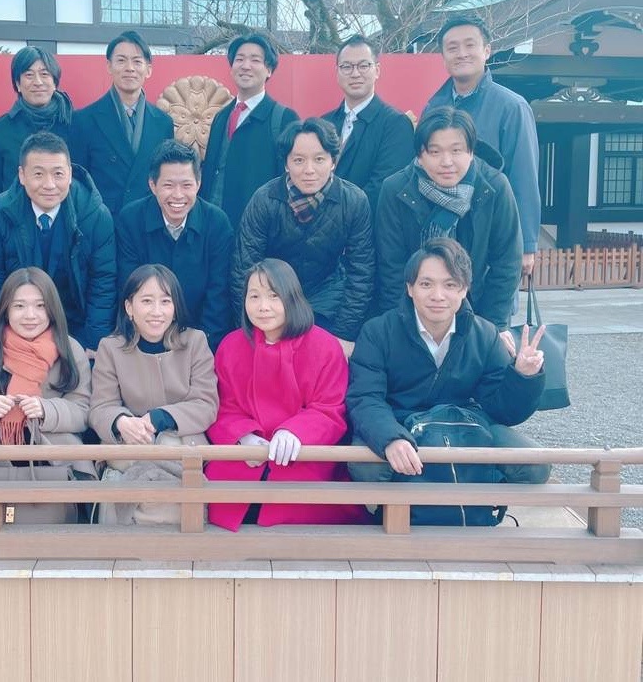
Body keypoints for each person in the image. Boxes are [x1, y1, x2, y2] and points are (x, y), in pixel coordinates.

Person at [346, 238, 550, 485]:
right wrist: (390, 438)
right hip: (400, 423)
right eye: (426, 284)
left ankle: (480, 504)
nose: (438, 295)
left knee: (535, 465)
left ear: (464, 289)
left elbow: (503, 411)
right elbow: (365, 397)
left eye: (450, 284)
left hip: (466, 424)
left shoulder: (484, 334)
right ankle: (399, 509)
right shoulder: (378, 332)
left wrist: (522, 376)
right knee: (366, 467)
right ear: (410, 288)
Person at [206, 258, 370, 531]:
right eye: (254, 296)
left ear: (292, 297)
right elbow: (223, 406)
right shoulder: (231, 346)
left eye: (274, 296)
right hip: (245, 456)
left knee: (300, 508)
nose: (263, 306)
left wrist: (295, 432)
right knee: (221, 500)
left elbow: (330, 408)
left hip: (303, 455)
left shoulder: (324, 346)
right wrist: (243, 436)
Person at [232, 118, 375, 358]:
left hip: (328, 301)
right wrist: (249, 329)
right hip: (273, 299)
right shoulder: (265, 199)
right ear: (286, 163)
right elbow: (243, 269)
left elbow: (361, 272)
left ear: (333, 161)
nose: (309, 170)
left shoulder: (354, 201)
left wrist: (343, 334)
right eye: (299, 160)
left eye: (319, 159)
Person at [375, 106, 522, 330]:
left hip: (479, 308)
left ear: (471, 151)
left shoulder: (494, 187)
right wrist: (403, 326)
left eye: (456, 151)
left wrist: (493, 328)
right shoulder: (395, 189)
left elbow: (507, 263)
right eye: (435, 152)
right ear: (420, 155)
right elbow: (391, 267)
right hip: (413, 310)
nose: (447, 162)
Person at [88, 265, 217, 517]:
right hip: (129, 445)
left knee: (167, 449)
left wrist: (159, 418)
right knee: (132, 458)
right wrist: (122, 422)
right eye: (146, 301)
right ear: (129, 307)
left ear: (175, 307)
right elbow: (100, 407)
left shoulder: (195, 342)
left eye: (165, 301)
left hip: (179, 445)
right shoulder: (111, 348)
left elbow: (206, 404)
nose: (157, 311)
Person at [0, 267, 95, 481]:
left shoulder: (70, 350)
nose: (30, 315)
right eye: (19, 306)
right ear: (5, 310)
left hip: (52, 447)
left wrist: (46, 410)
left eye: (40, 306)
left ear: (52, 309)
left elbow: (83, 412)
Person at [0, 131, 116, 354]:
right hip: (19, 323)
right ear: (22, 175)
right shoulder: (0, 212)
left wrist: (94, 342)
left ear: (70, 174)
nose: (49, 185)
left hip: (75, 324)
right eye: (38, 174)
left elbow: (103, 281)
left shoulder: (95, 215)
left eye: (58, 174)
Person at [424, 14, 540, 275]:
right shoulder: (433, 107)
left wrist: (526, 244)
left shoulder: (512, 107)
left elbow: (524, 176)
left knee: (491, 298)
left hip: (492, 229)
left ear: (487, 50)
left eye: (470, 45)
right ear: (443, 56)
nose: (461, 54)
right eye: (452, 47)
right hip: (442, 234)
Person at [115, 141, 234, 350]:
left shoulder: (217, 223)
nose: (178, 195)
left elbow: (218, 296)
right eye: (168, 185)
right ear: (153, 185)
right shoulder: (131, 220)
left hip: (199, 339)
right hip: (143, 336)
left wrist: (200, 348)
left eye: (186, 185)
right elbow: (129, 288)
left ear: (198, 184)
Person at [69, 30, 175, 216]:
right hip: (103, 221)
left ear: (148, 70)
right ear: (109, 66)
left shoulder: (163, 123)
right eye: (121, 60)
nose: (129, 68)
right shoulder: (83, 120)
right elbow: (78, 184)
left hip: (148, 220)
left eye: (137, 61)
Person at [200, 33, 299, 228]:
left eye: (255, 60)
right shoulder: (221, 117)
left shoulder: (284, 119)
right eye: (239, 59)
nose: (246, 66)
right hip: (213, 228)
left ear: (269, 69)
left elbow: (293, 183)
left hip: (257, 230)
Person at [320, 34, 414, 213]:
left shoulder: (396, 124)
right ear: (337, 72)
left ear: (377, 70)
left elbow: (383, 187)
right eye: (346, 67)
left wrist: (335, 215)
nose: (355, 74)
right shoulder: (324, 123)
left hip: (368, 225)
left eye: (363, 66)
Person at [0, 46, 74, 201]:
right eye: (29, 75)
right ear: (18, 84)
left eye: (44, 74)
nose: (38, 82)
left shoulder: (76, 126)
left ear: (55, 82)